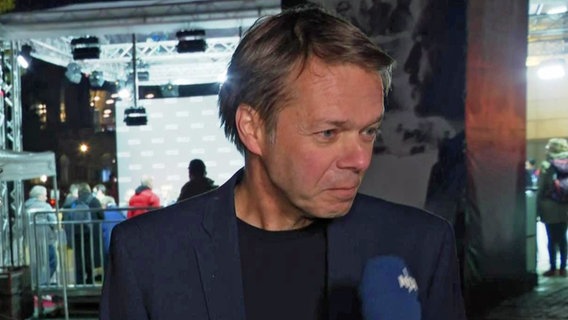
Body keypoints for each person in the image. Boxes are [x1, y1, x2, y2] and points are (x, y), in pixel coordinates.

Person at [100, 5, 466, 320]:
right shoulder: (147, 256)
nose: (360, 159)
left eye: (369, 131)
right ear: (253, 128)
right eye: (328, 133)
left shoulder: (421, 245)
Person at [537, 138, 568, 277]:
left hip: (549, 207)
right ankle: (563, 268)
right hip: (565, 207)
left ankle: (552, 267)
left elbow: (541, 188)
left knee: (551, 238)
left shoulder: (546, 165)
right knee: (563, 238)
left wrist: (537, 209)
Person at [24, 185, 57, 286]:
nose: (46, 198)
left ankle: (36, 284)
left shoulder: (25, 206)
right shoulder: (45, 206)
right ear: (39, 196)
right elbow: (54, 222)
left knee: (36, 264)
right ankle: (43, 284)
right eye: (45, 196)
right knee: (52, 261)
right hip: (46, 240)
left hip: (31, 241)